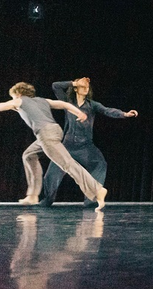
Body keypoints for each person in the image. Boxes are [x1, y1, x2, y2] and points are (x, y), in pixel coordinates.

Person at [0, 82, 107, 212]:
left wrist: (13, 103)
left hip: (46, 135)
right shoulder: (42, 100)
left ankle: (97, 189)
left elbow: (4, 105)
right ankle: (33, 195)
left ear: (18, 94)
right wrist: (78, 112)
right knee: (29, 155)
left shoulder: (19, 100)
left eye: (13, 97)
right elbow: (64, 104)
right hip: (54, 131)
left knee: (67, 163)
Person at [40, 77, 138, 208]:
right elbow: (55, 86)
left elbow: (107, 110)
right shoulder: (67, 102)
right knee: (52, 173)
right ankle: (47, 200)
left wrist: (124, 114)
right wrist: (75, 82)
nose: (86, 88)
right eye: (82, 86)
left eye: (87, 87)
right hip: (67, 146)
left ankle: (91, 200)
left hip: (85, 146)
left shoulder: (92, 105)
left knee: (99, 164)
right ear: (75, 88)